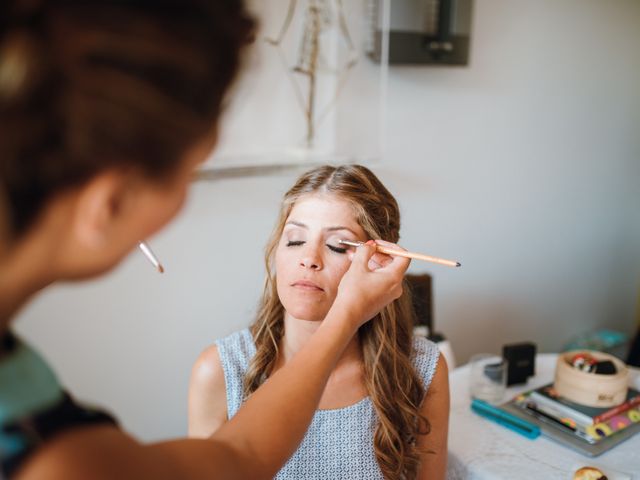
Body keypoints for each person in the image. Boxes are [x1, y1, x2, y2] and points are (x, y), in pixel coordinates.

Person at [0, 2, 410, 478]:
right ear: (109, 203)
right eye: (189, 174)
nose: (310, 259)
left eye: (338, 244)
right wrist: (347, 315)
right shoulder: (60, 459)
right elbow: (241, 459)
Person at [189, 165, 450, 479]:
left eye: (338, 246)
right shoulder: (219, 370)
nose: (309, 258)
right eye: (295, 240)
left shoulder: (423, 369)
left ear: (381, 262)